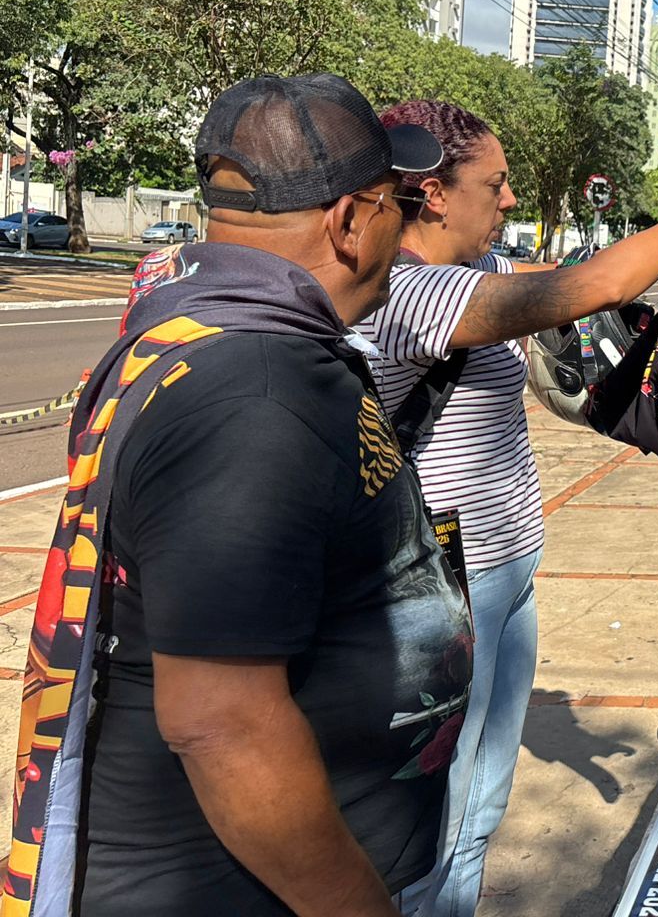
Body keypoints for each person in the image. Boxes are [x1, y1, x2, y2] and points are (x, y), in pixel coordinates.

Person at [9, 74, 470, 917]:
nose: (406, 232)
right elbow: (222, 723)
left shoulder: (233, 336)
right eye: (397, 206)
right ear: (349, 221)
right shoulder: (256, 397)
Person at [352, 99, 658, 917]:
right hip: (447, 590)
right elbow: (587, 287)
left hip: (507, 572)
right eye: (495, 184)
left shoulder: (479, 272)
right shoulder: (406, 292)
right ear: (435, 194)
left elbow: (576, 284)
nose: (508, 199)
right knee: (439, 818)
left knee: (481, 805)